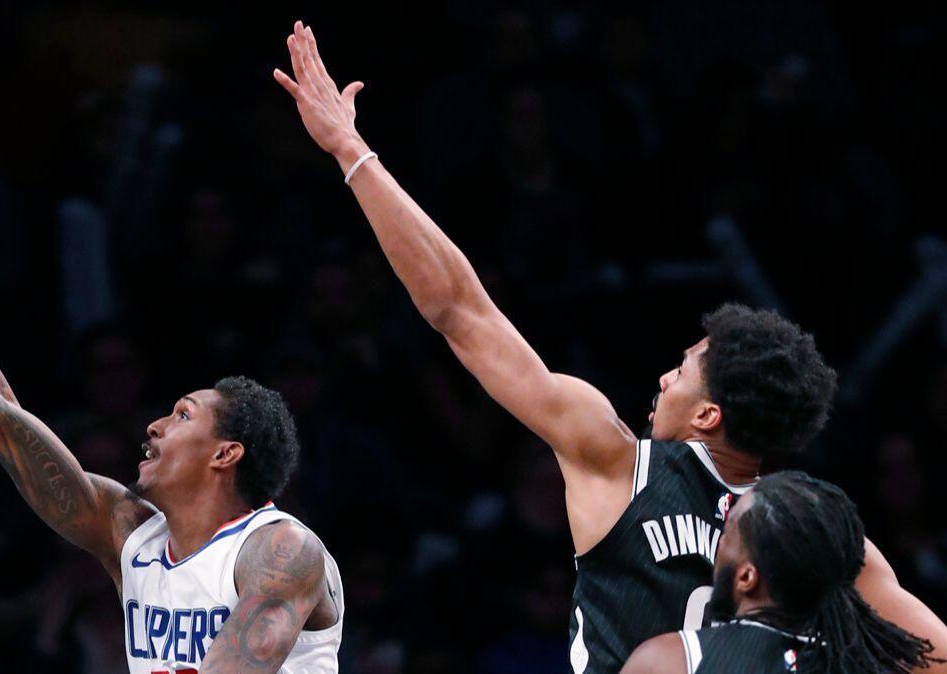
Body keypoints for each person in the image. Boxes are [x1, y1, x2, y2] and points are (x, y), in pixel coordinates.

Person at [273, 20, 947, 672]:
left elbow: (458, 309)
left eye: (683, 370)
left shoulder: (618, 460)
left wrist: (351, 153)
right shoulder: (819, 535)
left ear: (710, 415)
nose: (662, 378)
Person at [0, 148, 343, 674]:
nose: (153, 424)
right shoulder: (130, 533)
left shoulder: (277, 549)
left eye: (182, 415)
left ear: (226, 453)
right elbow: (0, 418)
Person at [622, 471, 939, 673]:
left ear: (747, 577)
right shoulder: (866, 665)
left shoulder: (669, 661)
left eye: (729, 529)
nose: (718, 541)